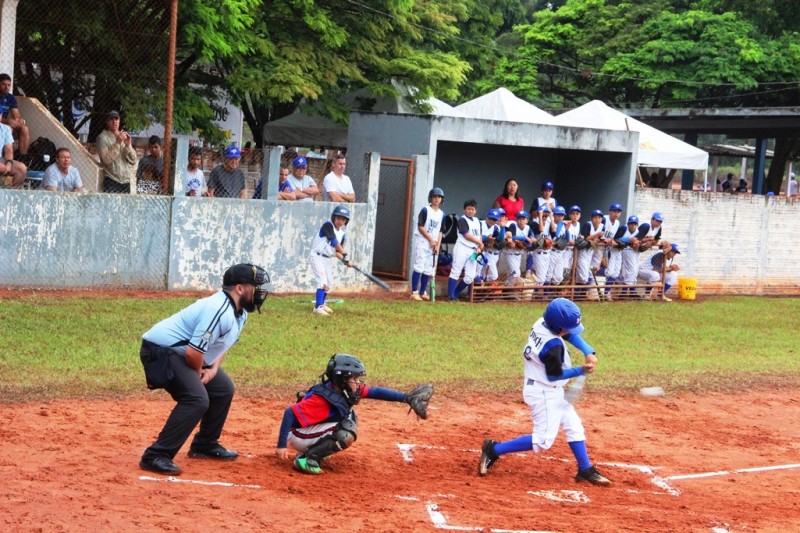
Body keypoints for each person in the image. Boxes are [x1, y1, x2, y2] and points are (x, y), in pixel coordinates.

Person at [138, 263, 272, 476]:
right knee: (197, 398)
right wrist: (199, 371)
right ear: (239, 288)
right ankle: (156, 455)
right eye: (254, 286)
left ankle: (204, 444)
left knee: (223, 389)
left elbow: (222, 345)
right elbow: (193, 353)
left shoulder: (239, 313)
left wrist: (212, 369)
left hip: (183, 354)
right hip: (160, 352)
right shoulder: (217, 310)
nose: (259, 292)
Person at [478, 298, 610, 486]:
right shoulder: (552, 347)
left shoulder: (542, 322)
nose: (569, 332)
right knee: (543, 441)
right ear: (558, 327)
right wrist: (581, 371)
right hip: (544, 392)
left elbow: (568, 334)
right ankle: (494, 449)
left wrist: (588, 351)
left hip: (546, 388)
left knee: (574, 427)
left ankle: (585, 469)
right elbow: (554, 376)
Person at [276, 353, 433, 474]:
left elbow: (375, 392)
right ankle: (307, 459)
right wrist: (281, 445)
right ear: (343, 380)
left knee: (350, 416)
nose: (358, 383)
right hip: (297, 435)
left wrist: (405, 398)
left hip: (309, 430)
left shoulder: (341, 390)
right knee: (345, 432)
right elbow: (289, 413)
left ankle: (315, 450)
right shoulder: (321, 400)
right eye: (354, 379)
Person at [310, 205, 353, 316]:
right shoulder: (328, 225)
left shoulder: (342, 234)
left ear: (346, 221)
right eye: (338, 218)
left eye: (343, 219)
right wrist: (345, 255)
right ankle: (317, 307)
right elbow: (334, 242)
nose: (340, 221)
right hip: (317, 256)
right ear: (334, 217)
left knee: (329, 283)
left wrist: (345, 261)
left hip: (327, 258)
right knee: (322, 281)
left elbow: (337, 252)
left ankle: (322, 304)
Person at [410, 187, 444, 301]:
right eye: (435, 197)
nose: (437, 199)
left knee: (428, 268)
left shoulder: (442, 214)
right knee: (419, 265)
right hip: (423, 241)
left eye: (439, 197)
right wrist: (430, 239)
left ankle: (423, 291)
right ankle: (414, 292)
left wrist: (438, 245)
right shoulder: (425, 210)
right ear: (431, 198)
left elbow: (440, 231)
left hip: (434, 244)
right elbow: (420, 227)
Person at [448, 199, 483, 300]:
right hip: (462, 247)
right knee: (456, 271)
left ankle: (455, 293)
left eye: (472, 209)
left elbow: (479, 235)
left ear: (475, 210)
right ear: (464, 209)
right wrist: (480, 243)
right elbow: (467, 235)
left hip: (473, 250)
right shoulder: (462, 220)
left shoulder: (477, 221)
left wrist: (479, 247)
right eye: (468, 209)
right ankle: (451, 296)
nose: (470, 211)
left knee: (470, 277)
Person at [96, 110, 137, 193]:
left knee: (125, 206)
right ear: (107, 121)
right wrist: (118, 143)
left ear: (119, 121)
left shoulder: (123, 136)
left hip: (126, 180)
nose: (114, 121)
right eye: (111, 119)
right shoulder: (102, 137)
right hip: (111, 179)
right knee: (110, 205)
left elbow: (133, 161)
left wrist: (128, 145)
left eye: (116, 119)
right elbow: (106, 159)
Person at [0, 73, 30, 156]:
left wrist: (18, 120)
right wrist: (9, 121)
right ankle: (6, 156)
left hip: (3, 122)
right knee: (8, 128)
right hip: (3, 122)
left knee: (24, 128)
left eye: (9, 85)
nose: (7, 87)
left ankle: (23, 157)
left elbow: (16, 113)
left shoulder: (10, 97)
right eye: (3, 84)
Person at [601, 203, 625, 299]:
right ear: (609, 211)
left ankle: (606, 293)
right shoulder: (604, 219)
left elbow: (613, 238)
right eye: (614, 211)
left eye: (618, 212)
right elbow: (599, 232)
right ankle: (601, 291)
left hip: (609, 248)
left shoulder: (618, 223)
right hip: (599, 247)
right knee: (594, 269)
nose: (616, 213)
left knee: (615, 273)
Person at [0, 121, 27, 188]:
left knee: (21, 168)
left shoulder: (5, 128)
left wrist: (8, 164)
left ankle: (10, 195)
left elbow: (9, 150)